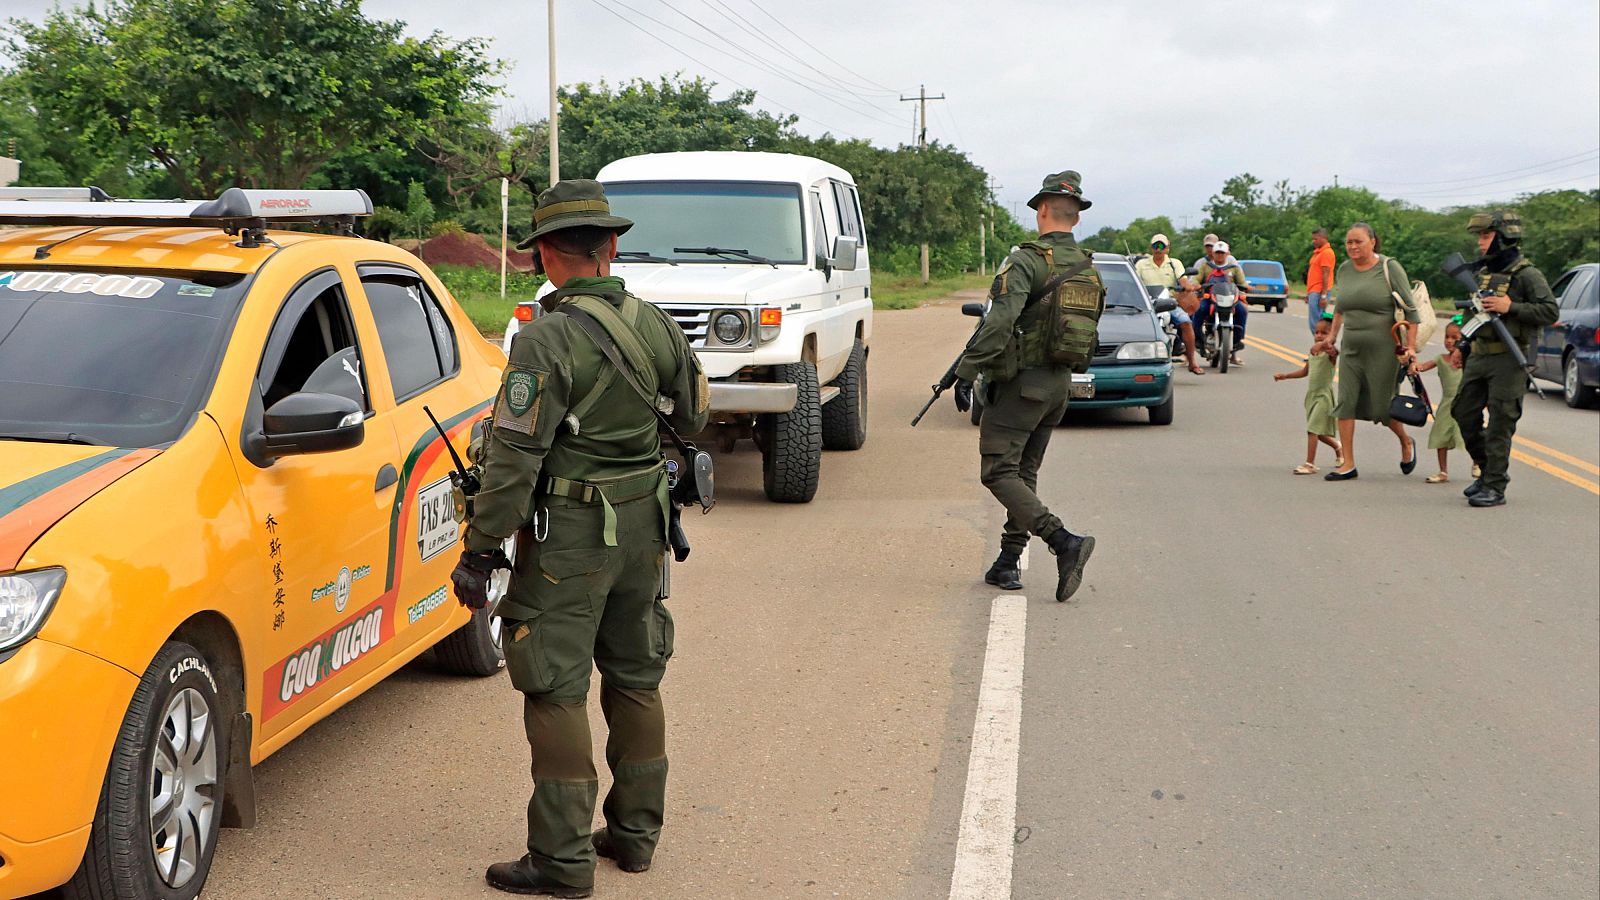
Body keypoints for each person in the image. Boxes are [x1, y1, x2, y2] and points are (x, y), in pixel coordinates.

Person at [453, 179, 710, 897]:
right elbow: (691, 413)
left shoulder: (545, 338)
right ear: (612, 247)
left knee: (555, 686)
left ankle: (562, 862)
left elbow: (512, 460)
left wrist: (480, 549)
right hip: (645, 525)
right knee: (636, 676)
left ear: (541, 254)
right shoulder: (656, 322)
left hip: (570, 534)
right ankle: (634, 838)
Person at [952, 170, 1100, 602]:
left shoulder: (1026, 260)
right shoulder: (1088, 268)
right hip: (1059, 386)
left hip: (1022, 385)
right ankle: (1007, 563)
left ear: (1041, 210)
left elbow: (998, 322)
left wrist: (965, 372)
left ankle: (1063, 541)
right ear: (1075, 216)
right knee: (1024, 472)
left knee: (998, 471)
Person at [1453, 210, 1558, 507]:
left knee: (1501, 422)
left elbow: (1550, 311)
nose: (1481, 243)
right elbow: (1470, 314)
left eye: (1486, 236)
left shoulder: (1527, 274)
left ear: (1502, 238)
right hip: (1479, 355)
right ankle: (1487, 471)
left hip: (1508, 359)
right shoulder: (1483, 272)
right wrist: (1461, 347)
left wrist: (1511, 306)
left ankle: (1495, 486)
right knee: (1463, 413)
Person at [1322, 222, 1420, 482]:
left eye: (1358, 242)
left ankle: (1406, 441)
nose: (1352, 247)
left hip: (1384, 351)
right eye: (1349, 242)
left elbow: (1411, 312)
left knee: (1383, 408)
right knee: (1346, 402)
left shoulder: (1389, 268)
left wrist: (1410, 347)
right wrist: (1331, 338)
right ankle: (1348, 464)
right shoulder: (1344, 269)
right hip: (1352, 348)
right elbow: (1341, 308)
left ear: (1373, 242)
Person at [1273, 311, 1344, 474]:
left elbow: (1335, 352)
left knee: (1312, 429)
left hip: (1323, 397)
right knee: (1318, 433)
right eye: (1317, 332)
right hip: (1311, 397)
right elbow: (1305, 371)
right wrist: (1285, 376)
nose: (1319, 336)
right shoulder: (1313, 352)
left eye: (1324, 333)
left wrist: (1327, 343)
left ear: (1331, 335)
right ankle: (1338, 447)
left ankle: (1309, 464)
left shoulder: (1329, 353)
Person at [1134, 233, 1205, 374]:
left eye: (1161, 246)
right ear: (1151, 248)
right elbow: (1134, 282)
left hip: (1170, 303)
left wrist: (1187, 286)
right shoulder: (1141, 264)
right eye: (1156, 246)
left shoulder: (1174, 263)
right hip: (1148, 305)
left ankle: (1192, 361)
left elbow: (1182, 278)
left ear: (1167, 248)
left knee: (1186, 322)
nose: (1158, 249)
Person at [1414, 319, 1465, 483]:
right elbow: (1422, 367)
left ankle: (1477, 464)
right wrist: (1413, 363)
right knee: (1440, 436)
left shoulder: (1467, 361)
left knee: (1469, 435)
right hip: (1446, 405)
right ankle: (1443, 471)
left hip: (1465, 404)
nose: (1449, 341)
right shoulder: (1441, 359)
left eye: (1454, 338)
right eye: (1447, 337)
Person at [1194, 240, 1250, 366]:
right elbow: (1196, 280)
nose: (1220, 255)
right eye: (1217, 253)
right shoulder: (1205, 266)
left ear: (1227, 254)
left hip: (1229, 299)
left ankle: (1237, 340)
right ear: (1213, 254)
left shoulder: (1234, 268)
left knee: (1242, 311)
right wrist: (1197, 285)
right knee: (1199, 311)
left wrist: (1246, 287)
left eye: (1222, 253)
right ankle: (1198, 340)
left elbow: (1242, 282)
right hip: (1210, 299)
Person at [1306, 227, 1336, 335]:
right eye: (1313, 239)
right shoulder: (1317, 253)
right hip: (1313, 290)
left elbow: (1325, 274)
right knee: (1314, 321)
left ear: (1323, 238)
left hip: (1319, 291)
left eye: (1316, 239)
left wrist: (1323, 295)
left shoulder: (1327, 253)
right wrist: (1308, 293)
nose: (1313, 241)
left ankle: (1321, 345)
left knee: (1317, 322)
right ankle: (1319, 344)